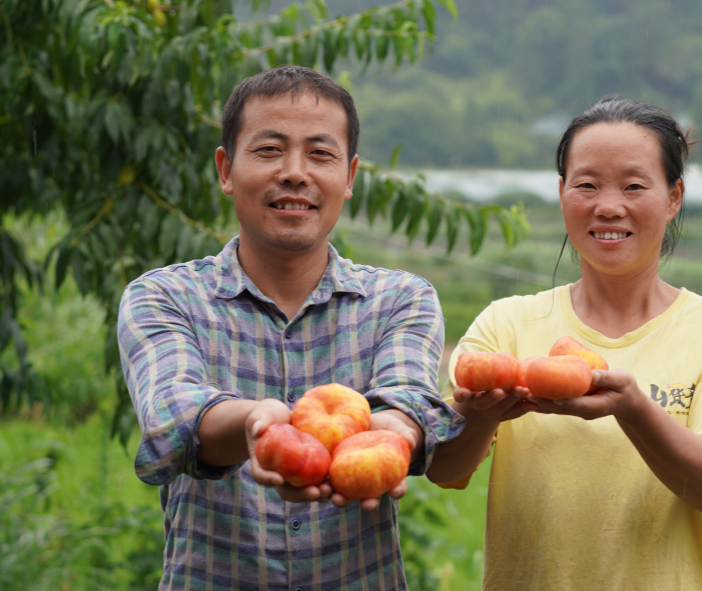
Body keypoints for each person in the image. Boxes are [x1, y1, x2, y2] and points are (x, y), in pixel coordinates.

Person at [118, 65, 463, 591]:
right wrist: (259, 424)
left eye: (320, 154)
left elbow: (408, 399)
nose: (295, 172)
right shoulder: (164, 297)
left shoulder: (401, 299)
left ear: (348, 178)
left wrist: (397, 433)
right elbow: (174, 418)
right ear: (226, 169)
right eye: (269, 149)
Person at [426, 96, 702, 591]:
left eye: (634, 186)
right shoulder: (507, 323)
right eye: (587, 185)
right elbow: (443, 468)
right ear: (562, 191)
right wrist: (483, 414)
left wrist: (633, 407)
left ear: (674, 196)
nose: (608, 207)